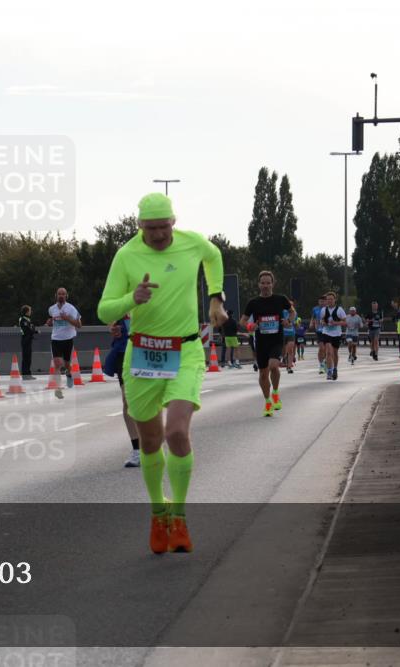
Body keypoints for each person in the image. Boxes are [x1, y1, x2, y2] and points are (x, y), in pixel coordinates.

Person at [97, 192, 227, 555]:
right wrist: (131, 299)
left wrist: (216, 297)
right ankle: (159, 512)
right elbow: (104, 310)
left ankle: (179, 516)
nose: (158, 234)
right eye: (150, 228)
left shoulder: (192, 243)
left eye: (163, 227)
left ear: (174, 222)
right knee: (151, 442)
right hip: (142, 354)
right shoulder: (126, 256)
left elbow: (214, 256)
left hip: (185, 351)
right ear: (140, 225)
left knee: (176, 433)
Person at [242, 271, 293, 416]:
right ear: (259, 284)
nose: (265, 286)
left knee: (274, 366)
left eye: (268, 283)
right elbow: (243, 321)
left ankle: (275, 393)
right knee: (263, 374)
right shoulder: (253, 303)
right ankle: (268, 401)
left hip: (276, 340)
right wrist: (250, 326)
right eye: (263, 283)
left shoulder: (280, 299)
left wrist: (288, 320)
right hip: (261, 342)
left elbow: (292, 312)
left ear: (273, 284)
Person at [104, 316, 141, 468]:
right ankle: (137, 449)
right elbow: (110, 315)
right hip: (124, 352)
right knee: (128, 400)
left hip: (146, 350)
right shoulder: (122, 301)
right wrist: (113, 326)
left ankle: (152, 441)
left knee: (146, 401)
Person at [45, 287, 82, 398]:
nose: (61, 295)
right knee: (57, 364)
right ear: (56, 295)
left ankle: (69, 373)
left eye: (63, 294)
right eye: (59, 294)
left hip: (68, 339)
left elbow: (79, 325)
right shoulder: (51, 309)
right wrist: (49, 323)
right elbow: (51, 322)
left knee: (66, 364)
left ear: (66, 296)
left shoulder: (71, 308)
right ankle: (58, 389)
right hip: (56, 339)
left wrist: (67, 318)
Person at [319, 291, 346, 380]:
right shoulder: (323, 310)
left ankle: (335, 369)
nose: (329, 301)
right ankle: (329, 371)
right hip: (326, 332)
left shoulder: (339, 310)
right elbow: (321, 320)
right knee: (329, 352)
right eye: (328, 299)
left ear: (335, 300)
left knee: (335, 353)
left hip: (337, 333)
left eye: (331, 299)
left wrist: (336, 323)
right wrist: (323, 323)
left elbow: (345, 322)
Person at [18, 305, 38, 379]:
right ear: (26, 311)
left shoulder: (28, 319)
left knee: (28, 358)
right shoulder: (23, 319)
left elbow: (31, 328)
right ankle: (25, 375)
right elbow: (28, 330)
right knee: (26, 358)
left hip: (28, 339)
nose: (30, 312)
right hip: (25, 339)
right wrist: (34, 331)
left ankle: (28, 374)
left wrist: (33, 330)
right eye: (29, 310)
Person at [310, 295, 328, 374]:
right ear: (318, 302)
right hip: (319, 330)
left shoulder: (328, 309)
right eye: (320, 301)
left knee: (327, 349)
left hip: (327, 331)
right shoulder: (315, 309)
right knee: (321, 348)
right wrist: (311, 323)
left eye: (323, 301)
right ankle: (321, 365)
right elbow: (313, 317)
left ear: (326, 302)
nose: (322, 303)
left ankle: (326, 362)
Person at [282, 300, 297, 374]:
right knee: (283, 350)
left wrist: (294, 323)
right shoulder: (282, 311)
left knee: (290, 349)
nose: (290, 306)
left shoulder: (294, 313)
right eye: (289, 305)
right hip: (282, 333)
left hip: (291, 333)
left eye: (292, 305)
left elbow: (295, 322)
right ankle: (284, 357)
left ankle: (289, 367)